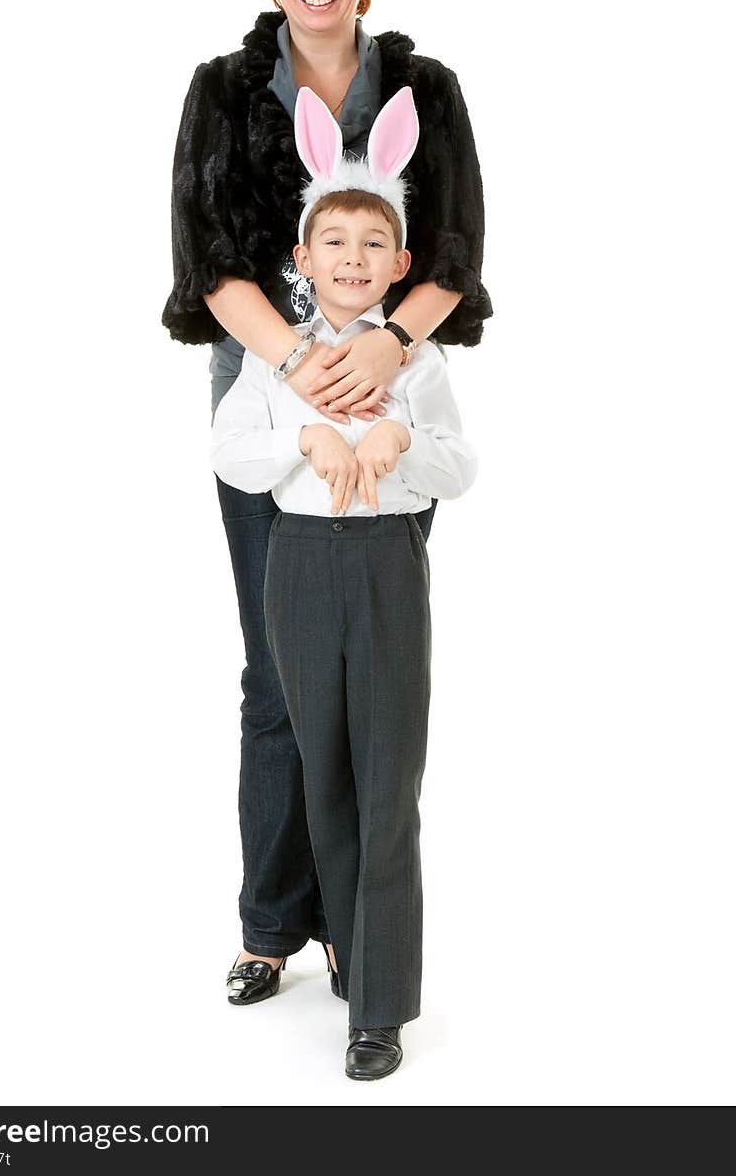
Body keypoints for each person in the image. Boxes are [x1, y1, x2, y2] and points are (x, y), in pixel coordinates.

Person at [161, 0, 492, 1003]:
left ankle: (360, 922)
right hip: (266, 395)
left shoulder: (425, 90)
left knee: (367, 679)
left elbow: (452, 251)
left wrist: (387, 350)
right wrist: (306, 365)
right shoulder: (221, 90)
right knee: (276, 672)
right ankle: (273, 920)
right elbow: (207, 261)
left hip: (393, 396)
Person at [210, 84, 478, 1079]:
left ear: (401, 264)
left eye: (374, 246)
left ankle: (380, 1006)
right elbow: (230, 451)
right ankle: (333, 945)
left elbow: (459, 465)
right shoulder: (273, 362)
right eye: (335, 246)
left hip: (384, 566)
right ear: (300, 260)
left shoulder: (417, 363)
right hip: (298, 564)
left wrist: (401, 436)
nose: (353, 261)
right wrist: (304, 435)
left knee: (387, 778)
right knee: (321, 769)